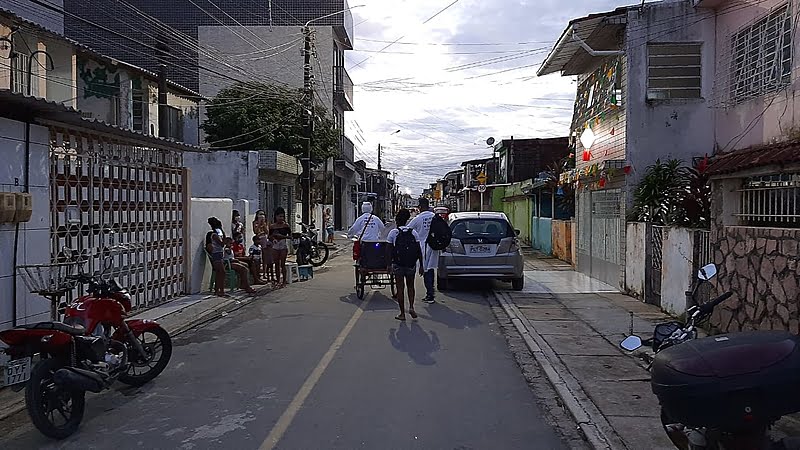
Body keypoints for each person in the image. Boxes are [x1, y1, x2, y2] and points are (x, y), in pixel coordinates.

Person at [386, 208, 423, 321]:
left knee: (400, 288)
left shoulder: (393, 233)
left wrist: (389, 265)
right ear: (407, 220)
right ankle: (411, 307)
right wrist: (421, 265)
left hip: (398, 264)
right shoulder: (413, 232)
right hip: (411, 264)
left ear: (397, 221)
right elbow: (418, 250)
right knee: (411, 286)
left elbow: (388, 251)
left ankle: (402, 313)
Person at [408, 198, 438, 304]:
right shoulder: (434, 216)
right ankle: (431, 292)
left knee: (426, 270)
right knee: (430, 269)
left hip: (424, 247)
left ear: (420, 207)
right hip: (434, 246)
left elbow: (407, 229)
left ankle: (430, 294)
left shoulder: (418, 218)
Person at [270, 207, 292, 287]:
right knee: (276, 264)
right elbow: (270, 236)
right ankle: (278, 280)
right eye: (279, 216)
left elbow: (290, 236)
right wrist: (274, 238)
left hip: (283, 245)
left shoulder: (286, 225)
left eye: (282, 216)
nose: (281, 218)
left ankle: (284, 281)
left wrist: (282, 237)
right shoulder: (272, 226)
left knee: (282, 264)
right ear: (276, 216)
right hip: (275, 245)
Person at [206, 217, 227, 297]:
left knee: (219, 273)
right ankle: (220, 290)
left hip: (219, 254)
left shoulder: (214, 234)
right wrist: (223, 234)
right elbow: (222, 244)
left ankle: (218, 290)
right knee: (222, 272)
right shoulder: (214, 235)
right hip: (216, 254)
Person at [253, 210, 275, 283]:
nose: (261, 216)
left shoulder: (266, 223)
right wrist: (259, 224)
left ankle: (265, 273)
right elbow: (255, 231)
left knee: (266, 257)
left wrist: (264, 224)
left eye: (263, 214)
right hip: (259, 240)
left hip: (265, 239)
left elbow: (267, 232)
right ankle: (260, 272)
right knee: (259, 256)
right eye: (260, 214)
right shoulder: (255, 223)